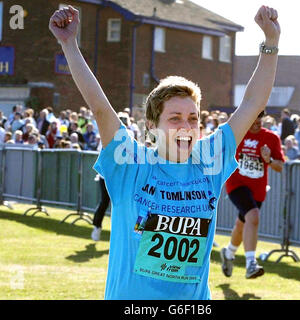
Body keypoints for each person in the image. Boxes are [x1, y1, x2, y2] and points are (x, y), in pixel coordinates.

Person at [49, 4, 280, 300]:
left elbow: (250, 104)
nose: (186, 126)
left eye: (193, 118)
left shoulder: (208, 161)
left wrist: (270, 43)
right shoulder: (130, 164)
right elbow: (100, 108)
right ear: (152, 125)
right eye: (175, 118)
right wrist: (69, 44)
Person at [221, 111, 285, 279]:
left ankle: (228, 254)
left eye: (259, 121)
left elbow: (280, 167)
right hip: (236, 184)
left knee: (243, 223)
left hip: (257, 188)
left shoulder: (271, 138)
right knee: (253, 216)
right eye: (252, 120)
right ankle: (251, 263)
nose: (256, 124)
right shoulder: (237, 133)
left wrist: (269, 160)